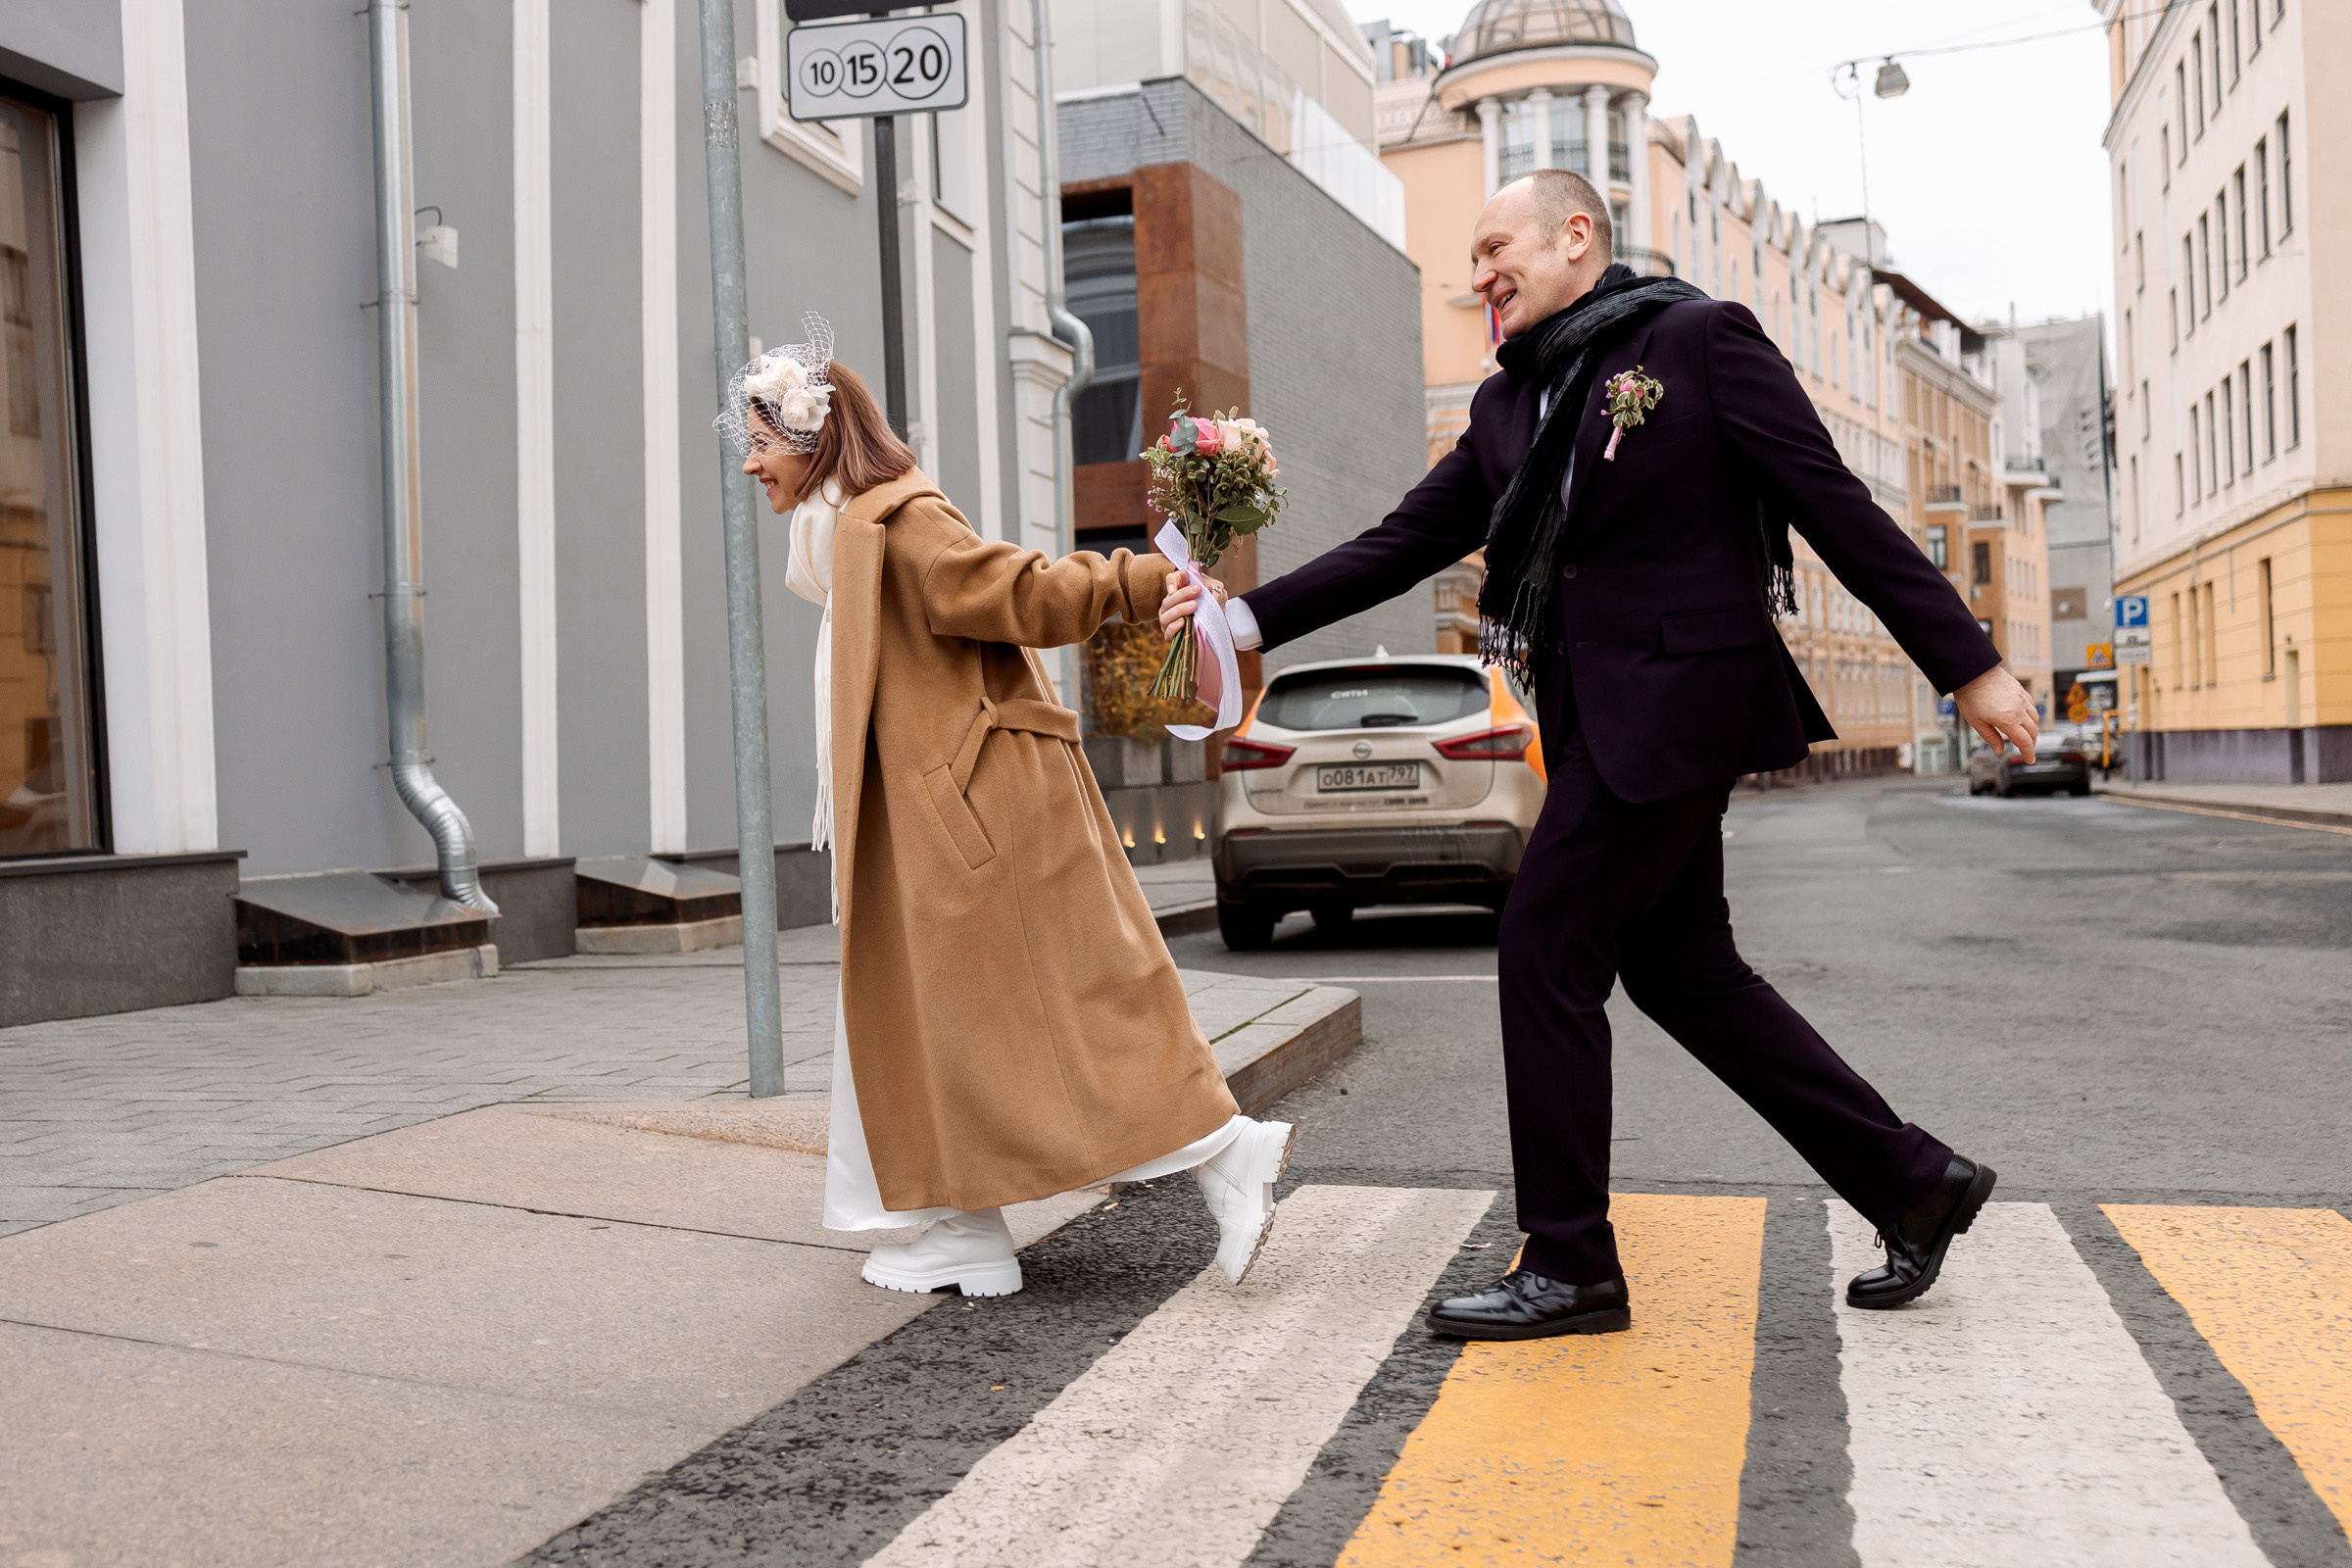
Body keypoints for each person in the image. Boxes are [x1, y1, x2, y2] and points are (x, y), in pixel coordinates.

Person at [1162, 172, 2033, 1338]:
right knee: (1684, 970)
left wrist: (1966, 663)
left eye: (1493, 247)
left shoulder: (1696, 338)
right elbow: (1402, 543)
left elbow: (1832, 503)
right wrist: (1238, 620)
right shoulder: (1504, 408)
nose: (1477, 274)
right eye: (1471, 259)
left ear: (1577, 238)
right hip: (1596, 719)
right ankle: (1912, 1182)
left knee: (1545, 937)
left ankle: (1571, 1260)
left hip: (1680, 703)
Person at [723, 316, 1294, 1297]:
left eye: (761, 445)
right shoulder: (851, 537)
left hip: (971, 816)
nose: (750, 468)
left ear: (816, 440)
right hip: (937, 820)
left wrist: (1149, 577)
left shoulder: (896, 523)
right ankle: (966, 1226)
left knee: (1041, 1014)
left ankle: (1221, 1149)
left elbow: (1021, 589)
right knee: (944, 1029)